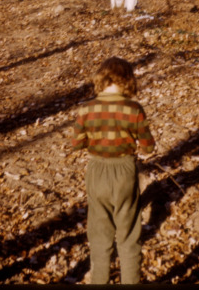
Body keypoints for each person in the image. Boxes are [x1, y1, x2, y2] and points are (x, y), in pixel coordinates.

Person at [70, 57, 155, 284]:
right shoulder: (134, 109)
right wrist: (143, 151)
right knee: (128, 235)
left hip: (97, 171)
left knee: (99, 234)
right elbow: (148, 146)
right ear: (128, 81)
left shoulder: (87, 108)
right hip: (126, 170)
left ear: (101, 79)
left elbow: (76, 143)